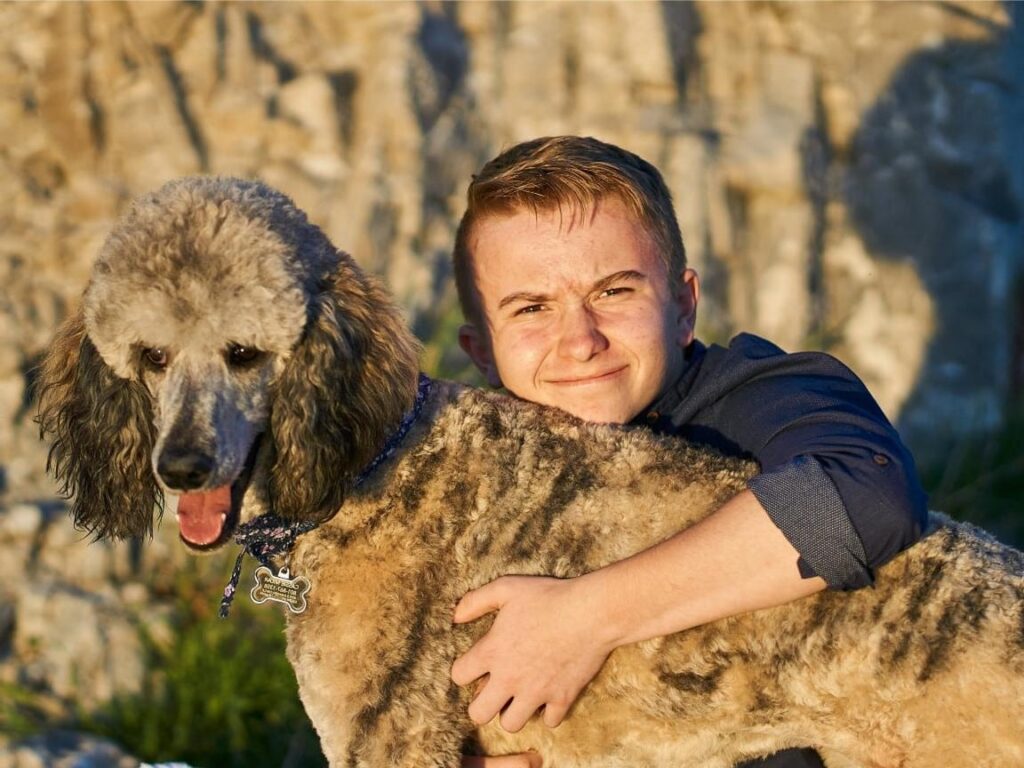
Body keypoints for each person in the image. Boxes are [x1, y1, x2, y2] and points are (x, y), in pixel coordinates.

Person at [448, 136, 927, 768]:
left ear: (682, 306)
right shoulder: (466, 473)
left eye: (614, 292)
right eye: (532, 308)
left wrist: (582, 619)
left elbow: (869, 496)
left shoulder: (763, 396)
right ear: (481, 351)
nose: (581, 341)